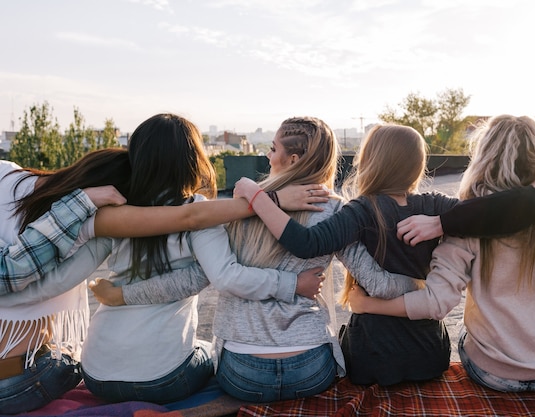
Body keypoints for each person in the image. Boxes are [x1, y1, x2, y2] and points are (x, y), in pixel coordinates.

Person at [93, 116, 419, 401]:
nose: (267, 154)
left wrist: (124, 296)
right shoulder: (335, 211)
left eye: (273, 149)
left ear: (292, 159)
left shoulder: (237, 209)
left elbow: (193, 281)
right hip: (310, 369)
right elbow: (378, 283)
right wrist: (424, 281)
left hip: (241, 374)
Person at [349, 114, 535, 392]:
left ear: (485, 156)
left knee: (468, 335)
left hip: (492, 372)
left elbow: (436, 304)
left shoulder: (467, 220)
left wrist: (369, 305)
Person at [78, 114, 333, 405]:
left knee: (205, 348)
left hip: (96, 373)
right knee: (206, 353)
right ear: (193, 159)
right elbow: (219, 276)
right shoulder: (199, 211)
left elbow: (74, 265)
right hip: (164, 379)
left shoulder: (118, 209)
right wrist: (293, 283)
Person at [234, 123, 458, 386]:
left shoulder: (361, 210)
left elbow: (306, 243)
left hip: (373, 355)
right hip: (430, 353)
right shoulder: (436, 205)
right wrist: (442, 222)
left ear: (370, 161)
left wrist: (258, 196)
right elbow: (480, 210)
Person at [0, 149, 131, 415]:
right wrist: (82, 202)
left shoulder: (7, 176)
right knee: (83, 363)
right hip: (20, 380)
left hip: (20, 373)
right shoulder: (81, 220)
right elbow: (12, 272)